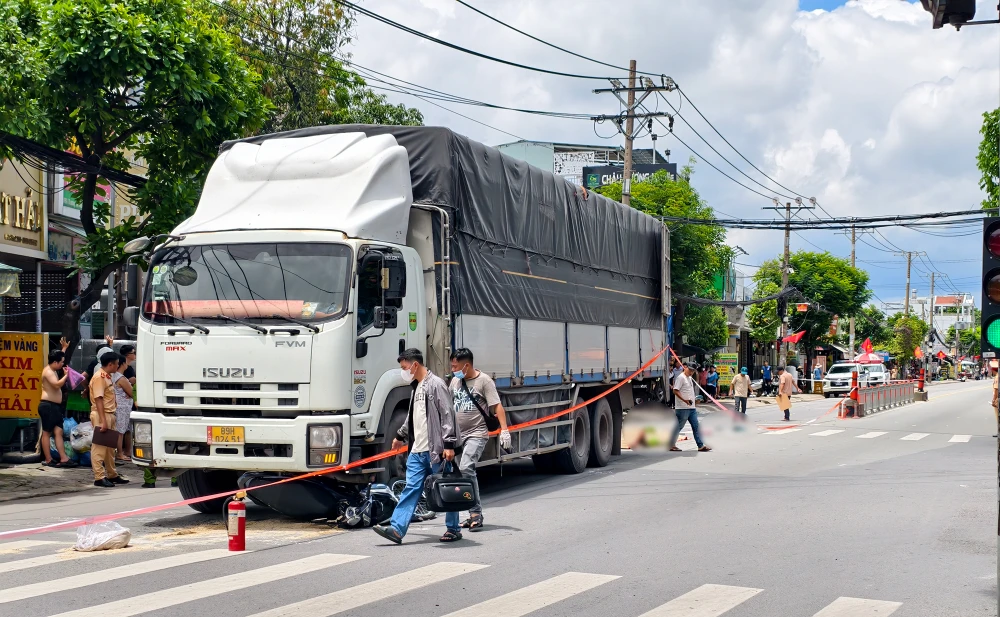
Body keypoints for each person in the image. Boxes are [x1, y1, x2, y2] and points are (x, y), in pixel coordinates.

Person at [373, 348, 460, 544]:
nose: (403, 371)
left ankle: (453, 528)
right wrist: (399, 436)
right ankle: (396, 529)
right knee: (411, 488)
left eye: (405, 367)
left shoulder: (435, 385)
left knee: (443, 488)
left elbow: (447, 415)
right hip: (417, 451)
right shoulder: (416, 386)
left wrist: (449, 444)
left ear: (415, 365)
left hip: (435, 450)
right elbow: (413, 418)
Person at [449, 348, 511, 532]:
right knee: (461, 474)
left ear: (466, 365)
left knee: (466, 467)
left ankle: (476, 513)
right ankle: (471, 513)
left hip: (477, 433)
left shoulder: (483, 381)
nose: (453, 369)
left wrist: (505, 430)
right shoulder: (455, 381)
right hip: (458, 436)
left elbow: (497, 406)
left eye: (456, 366)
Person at [89, 351, 128, 488]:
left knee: (110, 448)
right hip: (102, 415)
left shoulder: (107, 376)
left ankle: (112, 474)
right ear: (110, 364)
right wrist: (104, 421)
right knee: (99, 448)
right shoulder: (99, 377)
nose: (118, 366)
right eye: (116, 364)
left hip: (109, 414)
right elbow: (98, 399)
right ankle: (99, 477)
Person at [39, 342, 76, 468]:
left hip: (55, 407)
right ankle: (48, 459)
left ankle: (63, 458)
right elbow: (56, 385)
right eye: (61, 362)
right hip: (47, 405)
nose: (62, 364)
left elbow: (59, 358)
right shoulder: (48, 371)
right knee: (46, 432)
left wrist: (64, 348)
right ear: (55, 362)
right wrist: (66, 376)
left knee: (58, 431)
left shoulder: (54, 368)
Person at [669, 363, 711, 452]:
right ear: (685, 367)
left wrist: (694, 400)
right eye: (690, 370)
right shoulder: (681, 378)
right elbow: (675, 391)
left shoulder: (689, 378)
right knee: (678, 427)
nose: (691, 372)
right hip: (682, 408)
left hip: (691, 407)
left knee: (696, 426)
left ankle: (700, 445)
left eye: (693, 371)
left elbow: (688, 392)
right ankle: (671, 444)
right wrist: (685, 400)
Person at [111, 353, 135, 463]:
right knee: (120, 432)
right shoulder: (121, 378)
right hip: (122, 408)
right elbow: (131, 393)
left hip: (119, 406)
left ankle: (124, 452)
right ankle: (120, 453)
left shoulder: (113, 376)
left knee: (123, 430)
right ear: (122, 364)